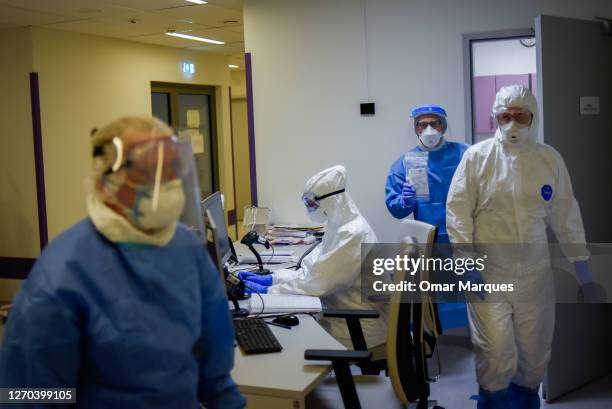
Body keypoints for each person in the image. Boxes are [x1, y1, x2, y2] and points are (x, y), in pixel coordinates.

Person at [0, 117, 245, 409]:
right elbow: (26, 394)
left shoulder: (186, 249)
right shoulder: (62, 273)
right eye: (149, 173)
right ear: (106, 183)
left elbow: (214, 373)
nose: (165, 185)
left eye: (171, 171)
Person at [446, 85, 593, 409]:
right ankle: (494, 402)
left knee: (534, 352)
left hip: (534, 276)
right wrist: (465, 263)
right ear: (495, 117)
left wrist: (582, 266)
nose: (512, 124)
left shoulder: (548, 159)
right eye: (505, 116)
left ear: (533, 117)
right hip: (488, 273)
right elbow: (458, 212)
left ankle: (525, 403)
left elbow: (566, 213)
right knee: (495, 350)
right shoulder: (477, 158)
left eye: (520, 116)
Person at [240, 165, 388, 351]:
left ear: (331, 202)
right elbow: (310, 269)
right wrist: (274, 278)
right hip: (340, 313)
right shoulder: (338, 227)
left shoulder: (353, 233)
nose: (310, 209)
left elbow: (317, 283)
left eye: (312, 204)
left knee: (289, 344)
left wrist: (268, 291)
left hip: (359, 326)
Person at [385, 104, 468, 244]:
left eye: (434, 123)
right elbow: (395, 210)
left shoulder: (465, 153)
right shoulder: (404, 163)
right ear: (416, 129)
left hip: (464, 232)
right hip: (430, 237)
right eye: (422, 125)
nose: (429, 130)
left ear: (442, 126)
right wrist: (405, 201)